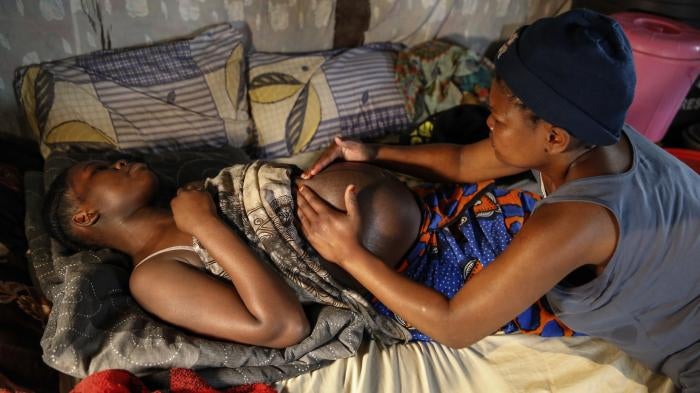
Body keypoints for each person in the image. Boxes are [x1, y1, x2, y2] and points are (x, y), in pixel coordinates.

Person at [297, 8, 700, 391]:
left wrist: (352, 255)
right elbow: (461, 161)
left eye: (499, 118)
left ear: (553, 137)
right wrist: (372, 153)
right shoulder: (591, 135)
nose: (487, 122)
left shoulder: (579, 218)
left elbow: (456, 325)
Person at [42, 159, 421, 349]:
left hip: (414, 200)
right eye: (102, 170)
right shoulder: (151, 276)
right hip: (387, 252)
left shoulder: (189, 194)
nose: (120, 161)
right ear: (86, 216)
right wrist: (205, 224)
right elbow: (282, 327)